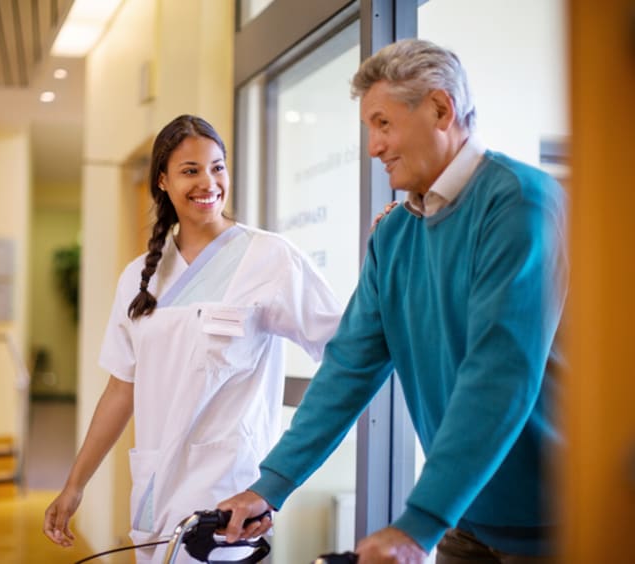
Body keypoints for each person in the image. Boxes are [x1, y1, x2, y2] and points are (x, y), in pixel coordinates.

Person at [218, 38, 568, 564]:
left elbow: (500, 374)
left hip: (556, 521)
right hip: (466, 517)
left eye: (383, 123)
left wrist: (417, 524)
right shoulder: (395, 235)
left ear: (440, 108)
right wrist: (271, 485)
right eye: (368, 129)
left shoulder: (519, 202)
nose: (373, 147)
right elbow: (347, 368)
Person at [42, 114, 342, 563]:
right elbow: (121, 389)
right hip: (155, 491)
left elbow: (345, 350)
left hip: (230, 497)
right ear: (162, 180)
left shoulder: (269, 258)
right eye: (190, 170)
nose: (209, 182)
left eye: (217, 167)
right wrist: (75, 484)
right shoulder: (138, 278)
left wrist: (279, 479)